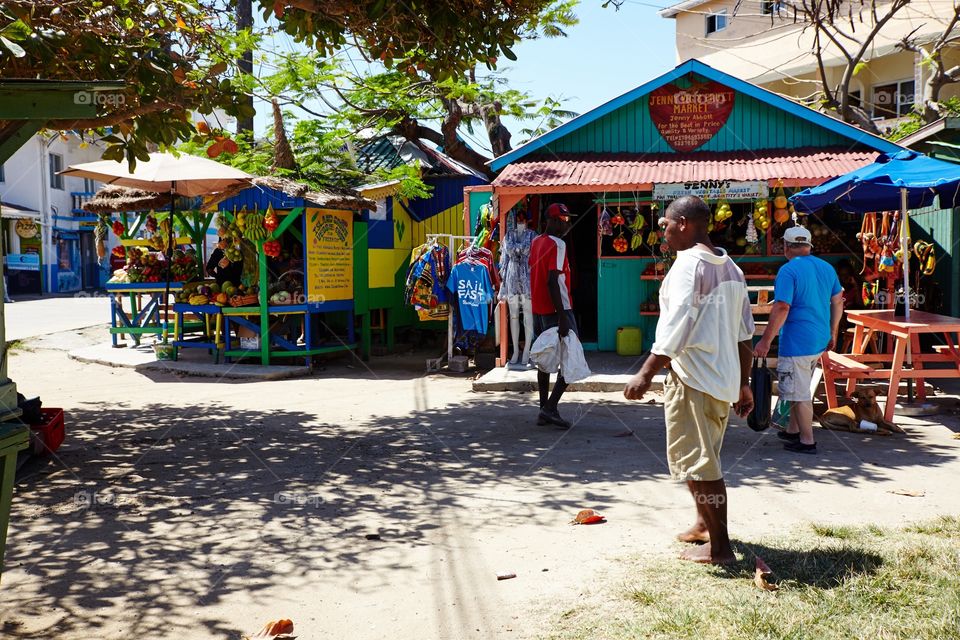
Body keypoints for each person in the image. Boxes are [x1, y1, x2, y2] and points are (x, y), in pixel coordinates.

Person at [624, 196, 754, 565]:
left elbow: (674, 330)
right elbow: (745, 334)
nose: (662, 233)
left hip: (694, 378)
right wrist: (743, 383)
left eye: (665, 225)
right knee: (701, 458)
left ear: (683, 223)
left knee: (701, 465)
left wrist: (645, 372)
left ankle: (721, 549)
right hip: (723, 379)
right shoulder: (731, 268)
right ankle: (703, 525)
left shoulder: (687, 267)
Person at [755, 226, 843, 455]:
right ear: (809, 245)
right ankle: (793, 430)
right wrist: (833, 332)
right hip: (819, 339)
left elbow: (782, 306)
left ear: (786, 246)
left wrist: (765, 340)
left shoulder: (788, 270)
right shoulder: (826, 267)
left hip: (797, 342)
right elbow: (838, 301)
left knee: (799, 393)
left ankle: (807, 440)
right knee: (798, 388)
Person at [529, 202, 577, 429]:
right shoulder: (558, 244)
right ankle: (550, 408)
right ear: (554, 221)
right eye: (565, 220)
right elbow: (552, 280)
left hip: (538, 310)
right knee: (572, 359)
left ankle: (543, 409)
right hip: (558, 310)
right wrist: (562, 316)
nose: (567, 224)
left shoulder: (536, 242)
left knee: (545, 362)